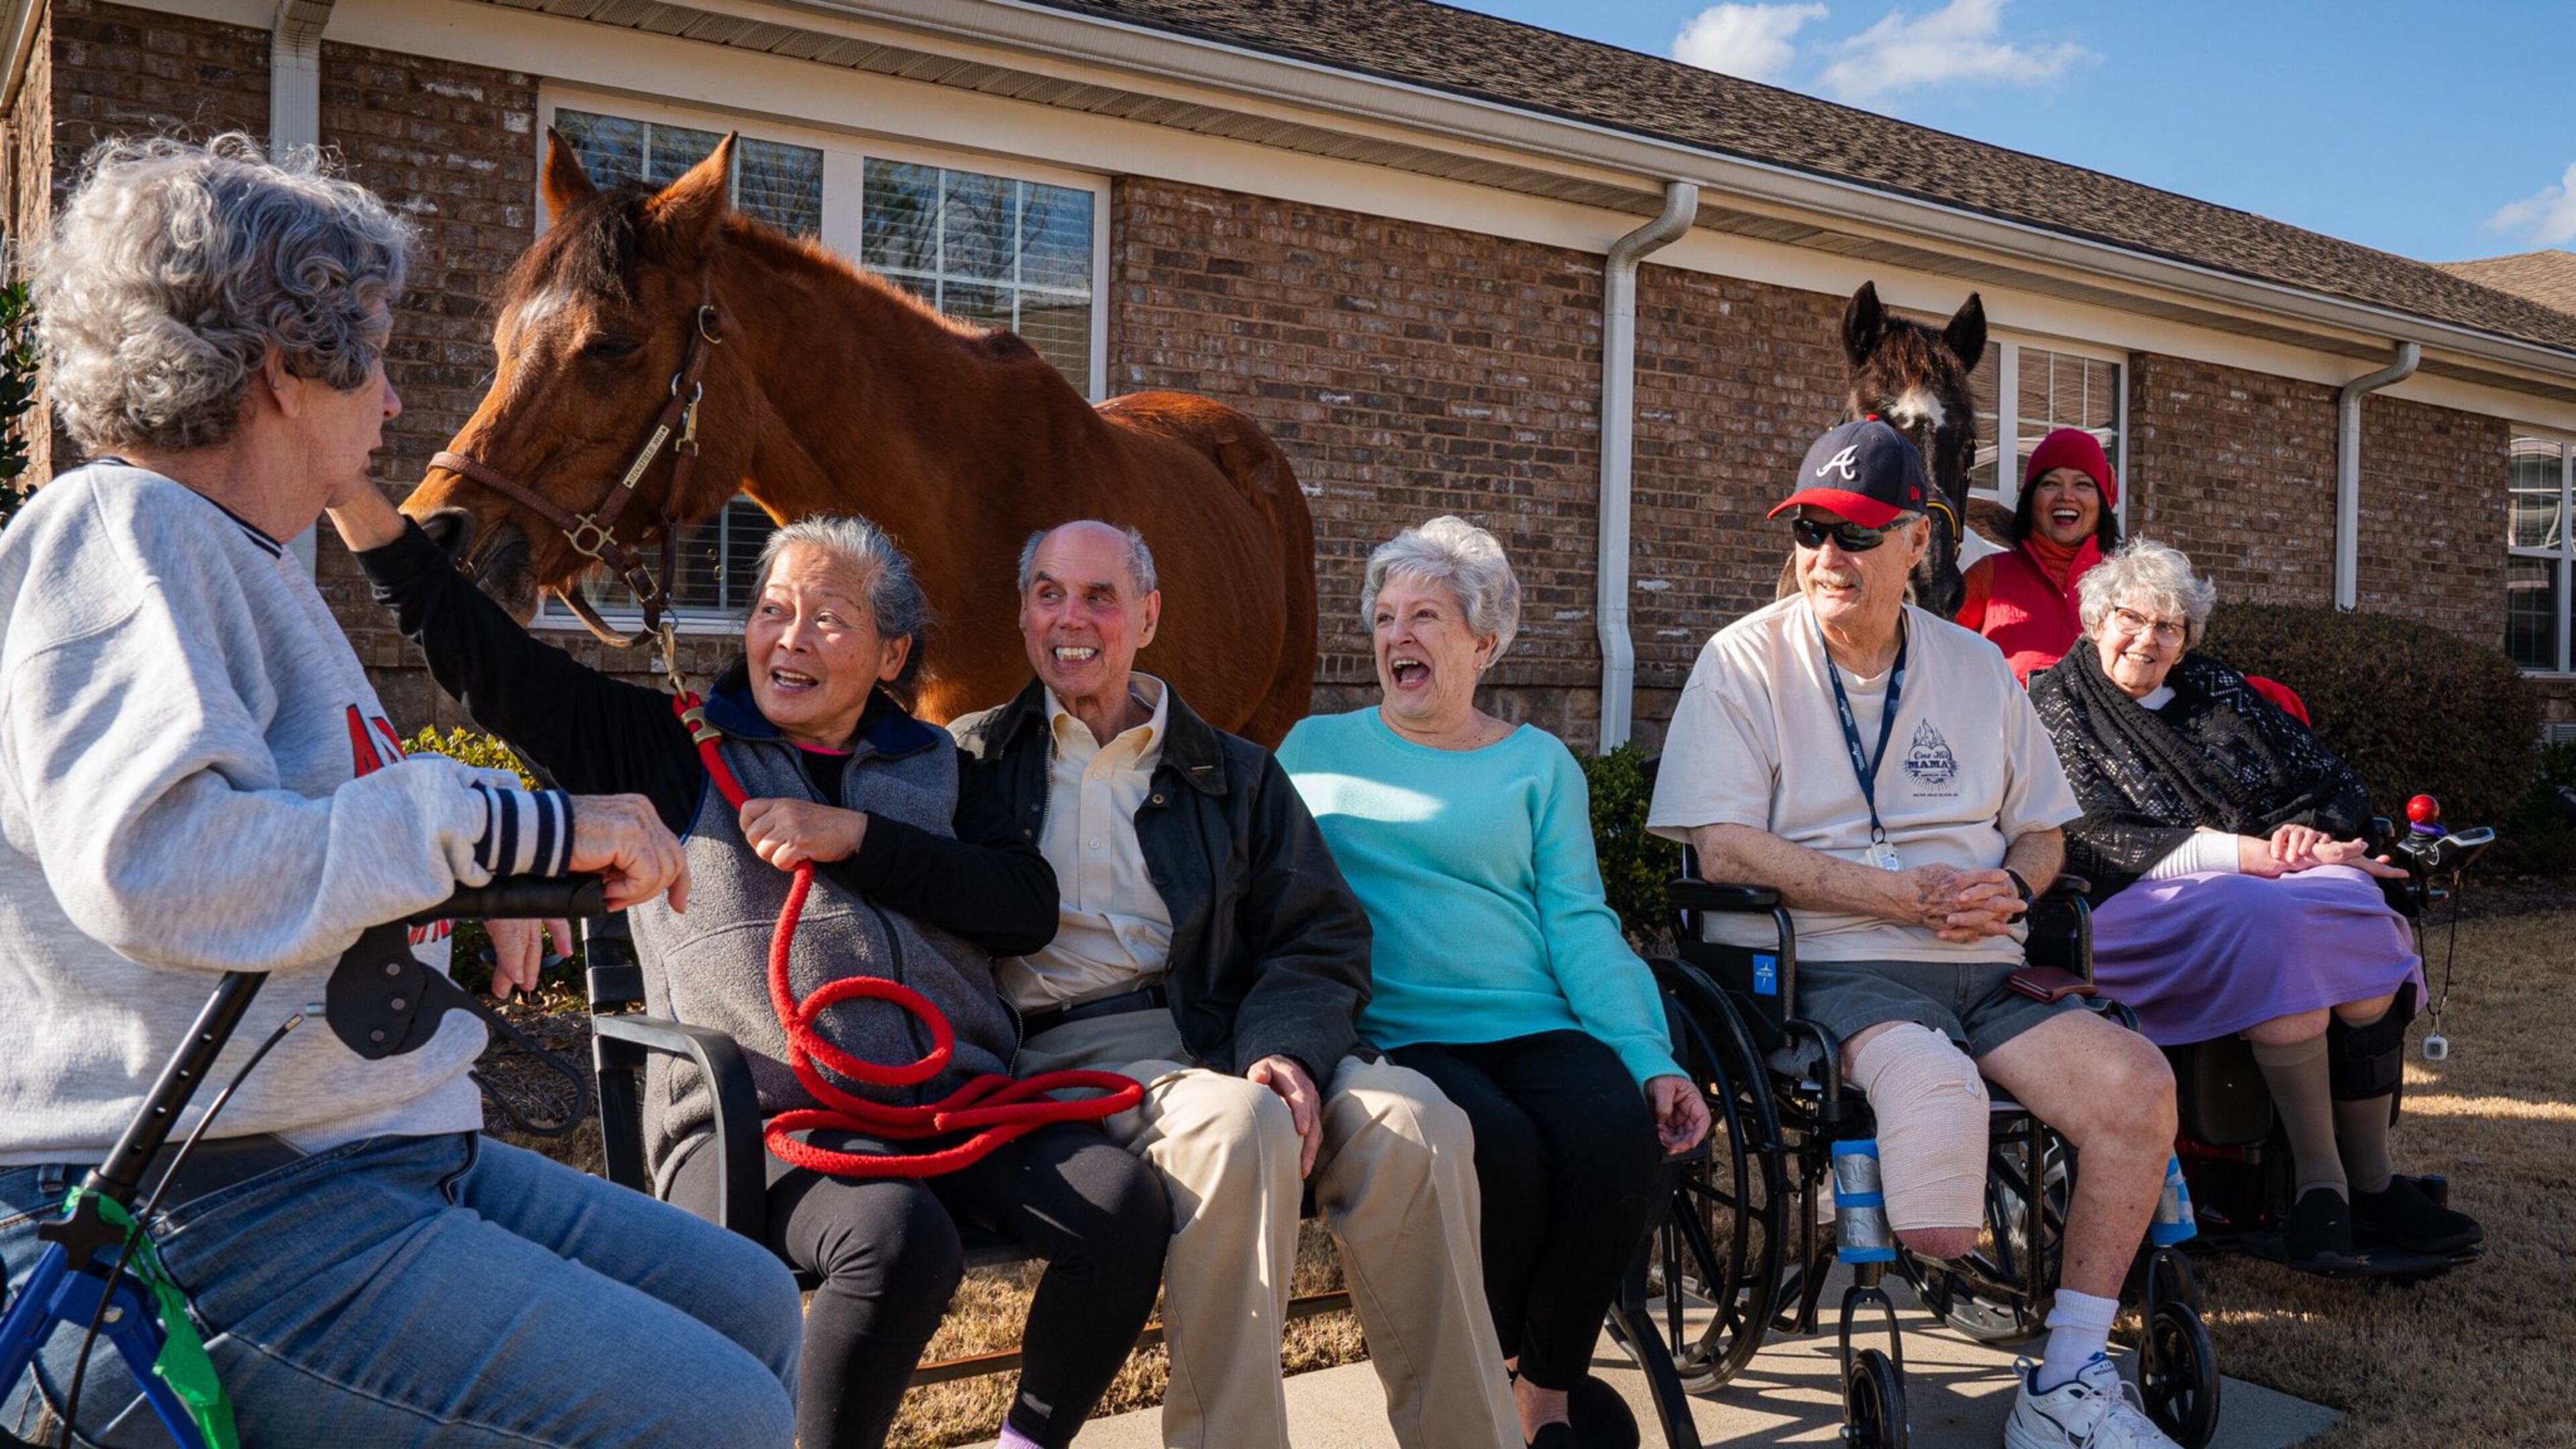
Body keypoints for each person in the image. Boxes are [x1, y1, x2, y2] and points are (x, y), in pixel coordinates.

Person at [0, 136, 801, 1446]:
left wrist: (470, 881)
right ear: (278, 369)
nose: (391, 406)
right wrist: (504, 827)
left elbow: (305, 848)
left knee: (750, 1307)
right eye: (366, 357)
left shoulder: (254, 567)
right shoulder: (121, 535)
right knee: (710, 1418)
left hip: (362, 1148)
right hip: (204, 1206)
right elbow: (158, 864)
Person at [343, 500, 1171, 1449]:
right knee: (897, 1237)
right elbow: (486, 661)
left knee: (1120, 1202)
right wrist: (365, 515)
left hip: (948, 1111)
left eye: (829, 618)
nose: (790, 637)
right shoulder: (669, 749)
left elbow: (1022, 905)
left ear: (892, 655)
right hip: (761, 1128)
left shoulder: (938, 765)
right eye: (774, 609)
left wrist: (858, 838)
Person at [1648, 419, 2186, 1449]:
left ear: (1917, 542)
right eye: (1810, 530)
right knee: (1934, 1110)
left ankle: (2068, 1376)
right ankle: (1928, 1225)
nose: (1826, 557)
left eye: (1855, 536)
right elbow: (1722, 848)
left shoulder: (1976, 668)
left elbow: (2040, 831)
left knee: (2139, 1088)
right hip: (1830, 967)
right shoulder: (1744, 662)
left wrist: (2011, 888)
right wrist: (1893, 898)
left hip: (1986, 965)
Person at [953, 521, 1520, 1449]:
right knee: (1238, 1127)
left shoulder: (1235, 774)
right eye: (1049, 593)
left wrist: (1286, 1050)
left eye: (1101, 596)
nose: (1072, 617)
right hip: (1074, 1054)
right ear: (1023, 614)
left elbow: (1320, 932)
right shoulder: (972, 763)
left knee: (1417, 1124)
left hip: (1232, 1028)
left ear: (1149, 615)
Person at [1277, 517, 1711, 1449]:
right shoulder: (1312, 751)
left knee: (1613, 1139)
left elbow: (1581, 926)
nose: (1399, 635)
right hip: (1403, 1031)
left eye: (1426, 615)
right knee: (1500, 1151)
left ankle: (1542, 1398)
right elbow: (1265, 901)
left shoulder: (1538, 765)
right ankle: (1528, 1389)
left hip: (1534, 1023)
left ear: (1483, 641)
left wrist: (1646, 1057)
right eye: (1387, 616)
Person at [2028, 538, 2482, 1273]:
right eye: (2131, 619)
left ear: (2188, 639)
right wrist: (2249, 854)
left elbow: (2329, 783)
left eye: (2169, 627)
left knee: (2352, 898)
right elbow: (2088, 837)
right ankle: (2320, 1186)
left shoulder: (2216, 689)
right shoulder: (2056, 702)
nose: (2148, 638)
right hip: (2125, 899)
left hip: (2264, 876)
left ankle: (2370, 1180)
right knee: (2269, 922)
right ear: (2094, 620)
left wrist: (2307, 834)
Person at [1955, 427, 2120, 685]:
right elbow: (1937, 660)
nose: (2066, 495)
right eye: (2050, 484)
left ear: (2102, 501)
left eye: (2083, 484)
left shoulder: (2129, 585)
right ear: (2030, 499)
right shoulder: (1988, 577)